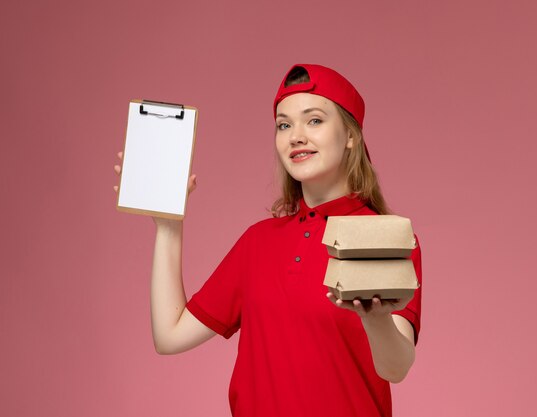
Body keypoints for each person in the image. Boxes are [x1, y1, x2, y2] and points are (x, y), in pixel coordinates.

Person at [113, 63, 422, 417]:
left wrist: (377, 317)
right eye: (284, 124)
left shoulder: (388, 237)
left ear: (351, 134)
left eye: (315, 120)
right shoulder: (257, 243)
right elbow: (169, 336)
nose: (296, 136)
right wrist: (168, 225)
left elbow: (396, 368)